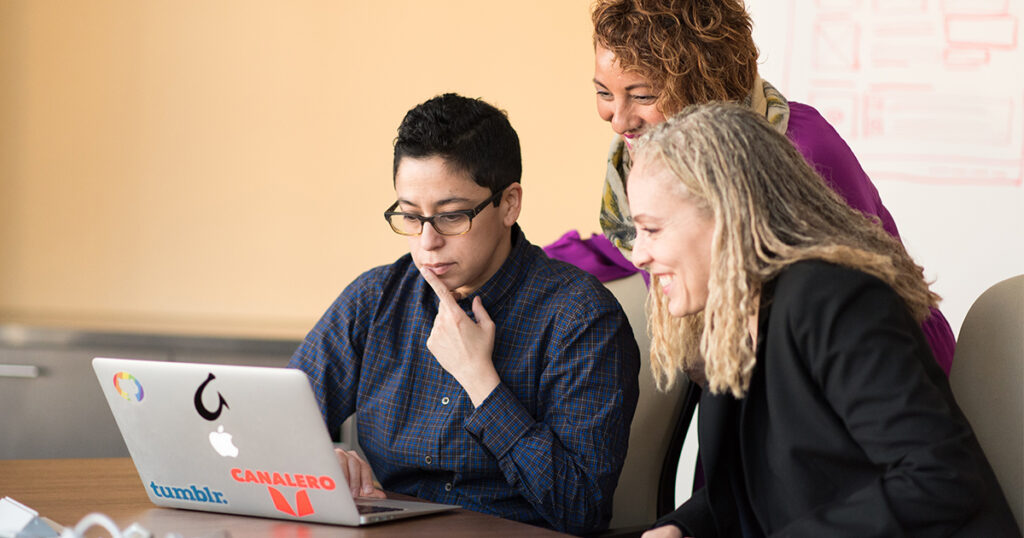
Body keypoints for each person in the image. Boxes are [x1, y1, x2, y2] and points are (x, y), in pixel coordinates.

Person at [627, 103, 1019, 537]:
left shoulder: (835, 299)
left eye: (653, 229)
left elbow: (939, 480)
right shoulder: (732, 318)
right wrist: (683, 527)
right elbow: (756, 488)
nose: (637, 254)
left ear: (725, 214)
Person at [288, 93, 640, 534]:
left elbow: (580, 507)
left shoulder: (581, 318)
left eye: (452, 217)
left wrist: (480, 381)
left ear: (509, 203)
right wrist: (318, 460)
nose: (427, 242)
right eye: (411, 217)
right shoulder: (376, 299)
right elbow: (277, 424)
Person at [589, 0, 956, 374]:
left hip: (879, 374)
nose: (618, 121)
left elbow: (860, 297)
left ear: (703, 83)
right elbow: (650, 239)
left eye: (642, 95)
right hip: (761, 381)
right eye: (604, 93)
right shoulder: (642, 156)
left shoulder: (800, 148)